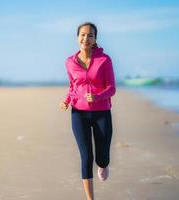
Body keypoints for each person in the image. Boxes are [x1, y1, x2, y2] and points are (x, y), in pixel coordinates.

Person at [60, 22, 116, 200]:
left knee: (102, 156)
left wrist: (98, 96)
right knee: (86, 156)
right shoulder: (70, 62)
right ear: (77, 37)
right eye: (83, 35)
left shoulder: (104, 60)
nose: (86, 38)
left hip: (102, 113)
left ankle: (103, 164)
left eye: (90, 35)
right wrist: (67, 100)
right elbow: (72, 86)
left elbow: (112, 88)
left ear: (95, 39)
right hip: (79, 113)